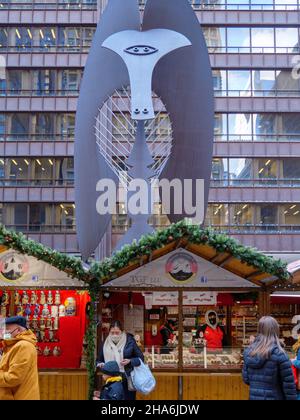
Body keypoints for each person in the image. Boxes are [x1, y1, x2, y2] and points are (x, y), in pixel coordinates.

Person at [242, 316, 297, 400]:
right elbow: (289, 386)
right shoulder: (280, 354)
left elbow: (246, 379)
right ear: (276, 330)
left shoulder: (249, 352)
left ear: (259, 329)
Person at [97, 320, 144, 400]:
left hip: (127, 378)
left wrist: (130, 361)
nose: (114, 335)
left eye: (117, 332)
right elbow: (99, 360)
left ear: (122, 332)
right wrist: (100, 364)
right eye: (112, 332)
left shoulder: (130, 341)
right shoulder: (105, 343)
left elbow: (141, 358)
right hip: (110, 380)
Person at [0, 316, 40, 400]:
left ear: (18, 330)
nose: (4, 333)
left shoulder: (23, 346)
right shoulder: (12, 345)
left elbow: (14, 378)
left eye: (7, 330)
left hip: (20, 396)